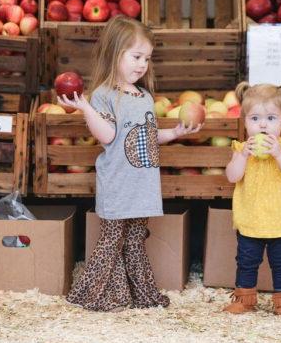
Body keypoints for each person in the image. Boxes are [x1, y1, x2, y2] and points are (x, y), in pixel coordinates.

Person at [59, 16, 201, 311]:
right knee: (111, 240)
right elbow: (108, 135)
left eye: (147, 59)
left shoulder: (144, 96)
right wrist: (85, 107)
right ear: (114, 53)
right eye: (136, 56)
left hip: (143, 185)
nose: (142, 65)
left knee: (136, 240)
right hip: (118, 184)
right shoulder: (102, 95)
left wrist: (175, 132)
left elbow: (146, 136)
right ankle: (92, 295)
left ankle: (143, 296)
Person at [223, 82, 281, 316]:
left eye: (271, 118)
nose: (263, 124)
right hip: (251, 218)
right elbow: (232, 176)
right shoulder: (241, 148)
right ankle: (245, 298)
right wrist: (241, 157)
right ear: (244, 121)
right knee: (246, 261)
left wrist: (279, 154)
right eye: (255, 119)